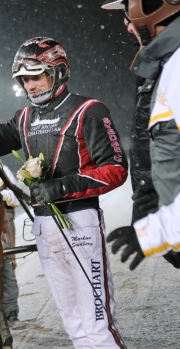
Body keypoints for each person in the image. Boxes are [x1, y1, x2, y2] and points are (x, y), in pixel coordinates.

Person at [0, 37, 128, 348]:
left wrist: (61, 187)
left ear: (58, 71)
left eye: (35, 76)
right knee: (73, 324)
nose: (29, 86)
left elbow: (116, 169)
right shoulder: (23, 118)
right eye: (24, 80)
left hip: (81, 223)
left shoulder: (89, 109)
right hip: (45, 227)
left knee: (97, 324)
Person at [102, 0, 180, 270]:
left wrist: (155, 231)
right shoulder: (168, 64)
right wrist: (162, 189)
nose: (127, 24)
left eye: (127, 14)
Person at [0, 161, 21, 328]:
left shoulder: (0, 168)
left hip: (2, 220)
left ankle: (11, 313)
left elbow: (15, 198)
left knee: (7, 266)